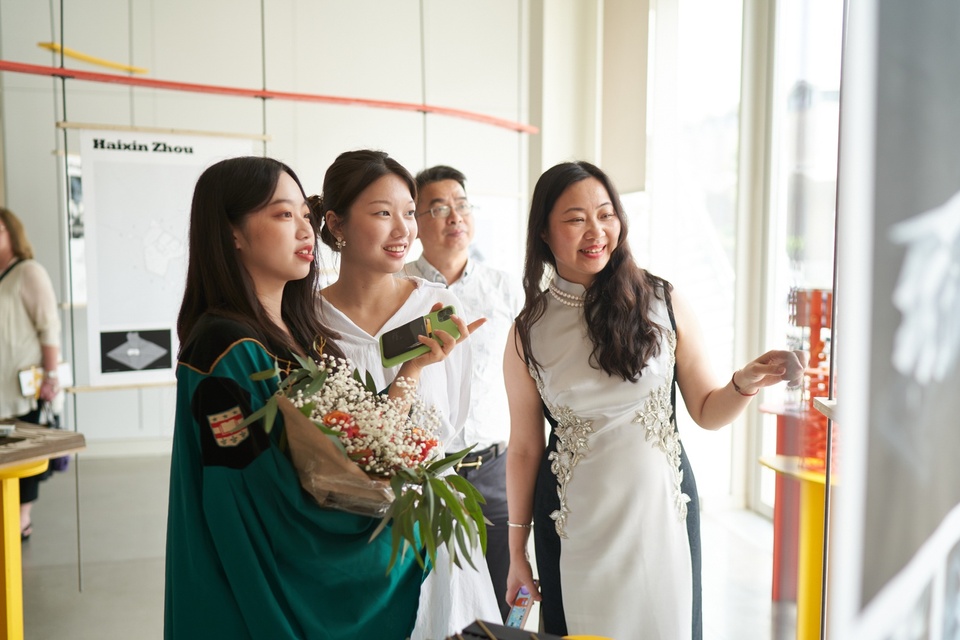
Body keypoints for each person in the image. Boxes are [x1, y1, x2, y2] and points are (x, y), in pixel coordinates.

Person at [503, 161, 806, 640]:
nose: (596, 231)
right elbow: (524, 448)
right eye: (575, 218)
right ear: (543, 230)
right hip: (572, 521)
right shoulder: (528, 331)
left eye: (606, 214)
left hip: (662, 512)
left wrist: (743, 383)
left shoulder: (661, 299)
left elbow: (707, 410)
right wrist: (517, 551)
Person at [164, 156, 431, 639]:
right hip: (248, 592)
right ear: (232, 234)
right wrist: (386, 547)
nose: (305, 231)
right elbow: (248, 499)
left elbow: (351, 447)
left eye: (305, 215)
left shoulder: (304, 334)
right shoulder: (226, 348)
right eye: (283, 215)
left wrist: (412, 368)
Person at [312, 149, 502, 639]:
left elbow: (450, 425)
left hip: (430, 523)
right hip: (341, 533)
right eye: (382, 213)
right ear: (336, 224)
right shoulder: (306, 322)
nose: (404, 230)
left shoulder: (439, 307)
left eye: (407, 213)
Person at [403, 164, 522, 620]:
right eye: (438, 207)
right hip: (424, 472)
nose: (455, 216)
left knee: (497, 593)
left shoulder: (507, 290)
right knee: (425, 595)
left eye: (461, 204)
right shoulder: (400, 288)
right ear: (415, 221)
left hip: (495, 469)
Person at [0, 207, 62, 542]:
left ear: (13, 233)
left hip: (24, 386)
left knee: (25, 452)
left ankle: (22, 518)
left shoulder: (28, 272)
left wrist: (50, 378)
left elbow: (48, 329)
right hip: (1, 388)